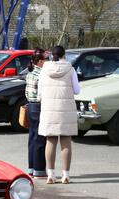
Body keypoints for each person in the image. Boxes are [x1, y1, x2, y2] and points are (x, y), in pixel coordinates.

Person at [38, 46, 80, 184]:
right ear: (64, 54)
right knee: (66, 141)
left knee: (50, 141)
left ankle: (50, 174)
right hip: (66, 108)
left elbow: (40, 92)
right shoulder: (71, 69)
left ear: (52, 55)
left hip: (49, 109)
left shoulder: (44, 70)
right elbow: (77, 90)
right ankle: (66, 175)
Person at [25, 48, 47, 179]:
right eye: (45, 59)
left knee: (32, 138)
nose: (47, 61)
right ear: (39, 61)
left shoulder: (30, 73)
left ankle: (32, 168)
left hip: (30, 106)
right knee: (40, 138)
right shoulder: (42, 74)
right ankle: (39, 169)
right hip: (39, 106)